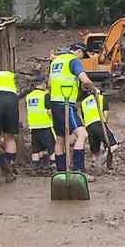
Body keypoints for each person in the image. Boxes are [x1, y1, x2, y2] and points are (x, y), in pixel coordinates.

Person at [49, 42, 97, 177]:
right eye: (82, 55)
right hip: (66, 104)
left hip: (55, 103)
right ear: (79, 51)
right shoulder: (74, 61)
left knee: (60, 140)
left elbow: (49, 84)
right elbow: (85, 80)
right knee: (82, 135)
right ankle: (79, 171)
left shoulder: (56, 62)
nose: (82, 58)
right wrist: (94, 89)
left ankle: (61, 173)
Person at [24, 77, 55, 171]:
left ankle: (35, 168)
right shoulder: (45, 95)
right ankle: (53, 167)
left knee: (36, 150)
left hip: (34, 126)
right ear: (43, 84)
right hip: (45, 125)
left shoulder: (28, 96)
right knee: (52, 148)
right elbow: (49, 112)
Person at [81, 90, 119, 164]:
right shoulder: (101, 98)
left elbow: (84, 117)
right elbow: (105, 114)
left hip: (88, 126)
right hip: (99, 122)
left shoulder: (83, 102)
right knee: (113, 145)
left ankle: (94, 164)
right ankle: (99, 162)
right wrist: (105, 125)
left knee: (95, 151)